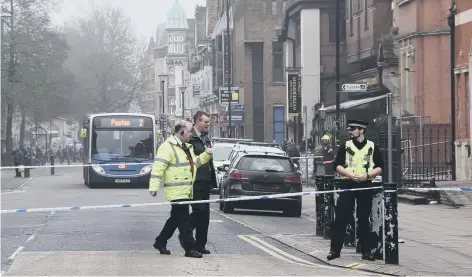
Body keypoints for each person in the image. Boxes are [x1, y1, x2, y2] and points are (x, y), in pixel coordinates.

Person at [149, 120, 213, 258]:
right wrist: (154, 187)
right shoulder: (167, 147)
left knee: (175, 219)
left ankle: (160, 241)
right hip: (176, 191)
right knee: (183, 220)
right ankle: (190, 248)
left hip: (186, 189)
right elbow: (158, 167)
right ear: (182, 132)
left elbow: (195, 163)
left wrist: (207, 154)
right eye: (189, 131)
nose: (191, 134)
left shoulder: (186, 147)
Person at [327, 119, 384, 262]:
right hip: (348, 183)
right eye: (350, 129)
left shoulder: (372, 147)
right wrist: (349, 174)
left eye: (353, 129)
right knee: (341, 217)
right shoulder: (345, 146)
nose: (350, 131)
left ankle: (367, 252)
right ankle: (335, 250)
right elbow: (337, 165)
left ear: (361, 130)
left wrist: (368, 175)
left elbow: (380, 167)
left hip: (365, 184)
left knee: (364, 219)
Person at [187, 111, 217, 254]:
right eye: (205, 122)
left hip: (206, 181)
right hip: (195, 181)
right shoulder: (189, 138)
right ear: (197, 121)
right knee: (199, 212)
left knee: (205, 216)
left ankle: (200, 245)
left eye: (208, 122)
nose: (207, 124)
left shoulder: (205, 138)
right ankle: (186, 233)